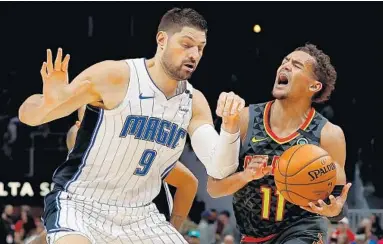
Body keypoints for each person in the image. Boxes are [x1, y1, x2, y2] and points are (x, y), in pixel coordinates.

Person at [19, 7, 245, 244]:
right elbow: (29, 116)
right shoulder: (115, 75)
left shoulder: (194, 102)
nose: (194, 55)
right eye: (186, 44)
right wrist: (49, 103)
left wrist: (230, 126)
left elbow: (218, 168)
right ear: (162, 40)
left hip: (141, 216)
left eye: (200, 48)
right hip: (82, 203)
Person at [207, 43, 352, 243]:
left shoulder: (329, 134)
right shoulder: (245, 119)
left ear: (314, 86)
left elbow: (337, 202)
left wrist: (334, 211)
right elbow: (214, 189)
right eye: (285, 61)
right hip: (252, 235)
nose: (285, 66)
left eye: (297, 65)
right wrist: (246, 175)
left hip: (303, 229)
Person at [29, 107, 199, 244]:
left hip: (145, 222)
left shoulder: (137, 149)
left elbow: (189, 183)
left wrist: (173, 226)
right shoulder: (75, 179)